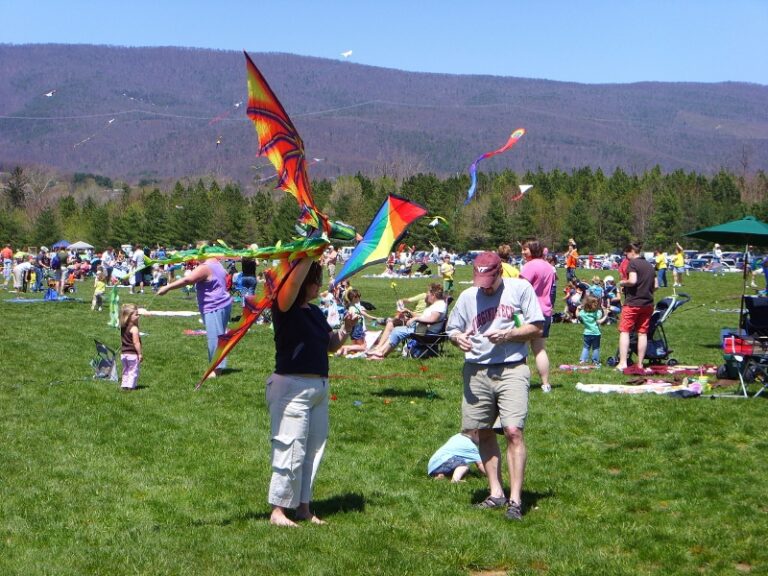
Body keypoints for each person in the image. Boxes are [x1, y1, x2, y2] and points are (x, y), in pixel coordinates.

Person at [446, 251, 544, 520]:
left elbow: (537, 326)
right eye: (480, 280)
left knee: (513, 431)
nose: (485, 285)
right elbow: (452, 328)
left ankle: (515, 500)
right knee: (482, 431)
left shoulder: (520, 289)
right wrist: (458, 339)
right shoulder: (468, 296)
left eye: (489, 279)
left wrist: (509, 334)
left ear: (500, 272)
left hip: (512, 367)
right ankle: (496, 493)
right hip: (476, 371)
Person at [266, 258, 356, 527]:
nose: (320, 285)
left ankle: (303, 507)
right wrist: (309, 255)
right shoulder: (285, 307)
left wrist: (347, 329)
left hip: (317, 388)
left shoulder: (315, 313)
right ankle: (278, 511)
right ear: (305, 282)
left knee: (312, 450)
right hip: (291, 387)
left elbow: (329, 345)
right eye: (316, 280)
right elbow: (291, 282)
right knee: (289, 447)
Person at [157, 257, 233, 378]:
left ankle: (216, 370)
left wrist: (167, 288)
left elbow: (188, 280)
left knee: (215, 338)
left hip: (214, 305)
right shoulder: (217, 264)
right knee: (219, 336)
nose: (195, 257)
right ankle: (217, 366)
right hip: (223, 303)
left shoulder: (205, 267)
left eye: (198, 253)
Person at [366, 283, 447, 359]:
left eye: (428, 294)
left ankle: (381, 353)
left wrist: (415, 319)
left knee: (397, 331)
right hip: (422, 329)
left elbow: (432, 320)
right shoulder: (437, 304)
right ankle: (380, 351)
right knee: (394, 327)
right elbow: (425, 317)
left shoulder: (439, 305)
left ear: (433, 295)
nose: (427, 296)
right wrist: (409, 312)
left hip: (427, 333)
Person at [520, 238, 557, 393]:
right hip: (545, 311)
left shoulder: (529, 266)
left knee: (521, 348)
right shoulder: (549, 267)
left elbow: (520, 288)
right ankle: (545, 383)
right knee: (540, 349)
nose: (522, 252)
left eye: (525, 249)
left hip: (529, 311)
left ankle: (520, 383)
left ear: (533, 250)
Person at [616, 243, 657, 372]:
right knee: (642, 333)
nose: (626, 257)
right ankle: (640, 363)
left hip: (633, 303)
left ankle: (623, 363)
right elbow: (656, 285)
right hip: (647, 304)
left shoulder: (633, 264)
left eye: (627, 254)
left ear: (632, 251)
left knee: (625, 331)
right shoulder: (650, 265)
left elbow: (632, 281)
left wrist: (623, 282)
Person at [335, 288, 379, 357]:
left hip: (358, 328)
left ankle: (344, 350)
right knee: (363, 347)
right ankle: (344, 348)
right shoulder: (351, 308)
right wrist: (356, 316)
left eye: (359, 296)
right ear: (352, 298)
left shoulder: (355, 306)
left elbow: (362, 313)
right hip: (356, 328)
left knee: (357, 347)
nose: (358, 298)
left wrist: (372, 317)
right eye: (357, 297)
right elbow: (351, 317)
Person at [575, 294, 608, 365]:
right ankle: (595, 361)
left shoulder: (583, 313)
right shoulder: (597, 313)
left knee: (586, 347)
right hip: (596, 333)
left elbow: (577, 315)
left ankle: (582, 360)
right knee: (596, 348)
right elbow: (599, 321)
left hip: (586, 333)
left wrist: (577, 309)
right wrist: (605, 315)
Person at [119, 303, 142, 391]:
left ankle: (124, 385)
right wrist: (139, 354)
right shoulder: (134, 329)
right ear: (129, 316)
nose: (138, 316)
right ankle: (131, 387)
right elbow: (136, 342)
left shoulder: (123, 327)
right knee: (133, 371)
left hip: (124, 354)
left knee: (126, 370)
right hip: (132, 354)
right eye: (136, 314)